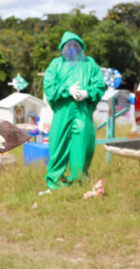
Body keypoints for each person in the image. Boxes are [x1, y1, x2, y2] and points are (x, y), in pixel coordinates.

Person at [42, 31, 106, 191]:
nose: (72, 48)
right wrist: (66, 91)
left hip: (82, 112)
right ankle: (55, 180)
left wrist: (87, 92)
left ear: (81, 46)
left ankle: (79, 180)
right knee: (58, 145)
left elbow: (99, 84)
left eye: (75, 44)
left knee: (83, 144)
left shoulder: (90, 64)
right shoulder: (56, 64)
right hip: (63, 111)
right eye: (68, 45)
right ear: (62, 47)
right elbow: (49, 85)